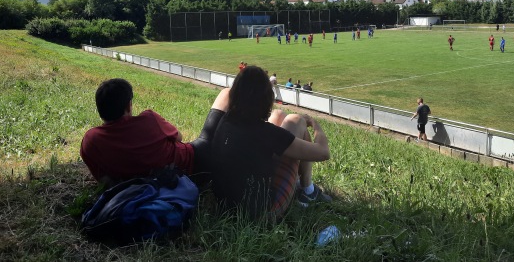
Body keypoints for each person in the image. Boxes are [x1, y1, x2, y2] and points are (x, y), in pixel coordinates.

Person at [210, 67, 331, 219]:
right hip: (261, 211)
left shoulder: (226, 119)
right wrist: (314, 124)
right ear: (266, 99)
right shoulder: (266, 133)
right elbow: (323, 152)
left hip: (224, 202)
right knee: (298, 120)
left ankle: (306, 188)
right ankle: (308, 190)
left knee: (279, 114)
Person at [80, 78, 226, 187]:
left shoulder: (90, 141)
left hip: (156, 186)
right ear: (128, 105)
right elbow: (179, 138)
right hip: (192, 166)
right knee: (226, 93)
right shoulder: (149, 119)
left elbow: (106, 181)